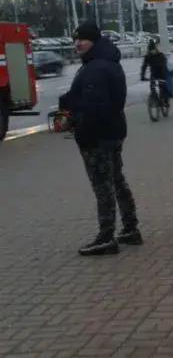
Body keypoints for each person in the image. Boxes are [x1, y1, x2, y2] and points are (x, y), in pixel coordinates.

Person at [58, 22, 141, 256]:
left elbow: (95, 107)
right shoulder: (107, 63)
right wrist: (71, 99)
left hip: (97, 136)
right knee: (116, 180)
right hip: (113, 132)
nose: (77, 44)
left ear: (94, 40)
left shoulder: (95, 68)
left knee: (103, 186)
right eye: (75, 39)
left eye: (82, 39)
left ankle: (106, 237)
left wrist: (78, 126)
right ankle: (130, 228)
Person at [140, 39, 169, 108]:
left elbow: (164, 66)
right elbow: (144, 66)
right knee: (152, 86)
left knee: (163, 87)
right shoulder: (148, 57)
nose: (152, 51)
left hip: (162, 73)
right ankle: (154, 99)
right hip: (153, 73)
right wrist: (142, 76)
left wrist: (163, 78)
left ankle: (166, 102)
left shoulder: (160, 55)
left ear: (155, 49)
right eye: (150, 50)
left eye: (153, 50)